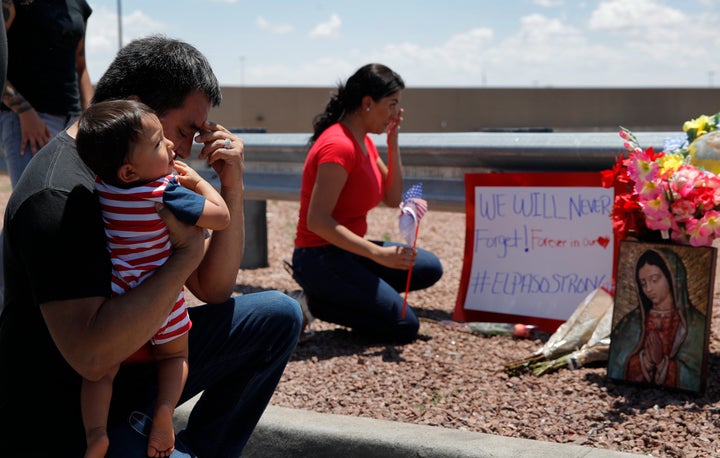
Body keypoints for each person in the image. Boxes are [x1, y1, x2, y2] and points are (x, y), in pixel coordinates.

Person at [0, 35, 303, 457]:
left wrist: (232, 182)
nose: (186, 150)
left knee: (278, 316)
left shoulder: (145, 174)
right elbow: (90, 358)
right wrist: (185, 256)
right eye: (182, 132)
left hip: (138, 370)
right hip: (74, 418)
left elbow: (214, 289)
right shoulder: (58, 195)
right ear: (136, 109)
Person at [75, 100, 231, 457]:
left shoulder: (103, 187)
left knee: (100, 374)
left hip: (120, 296)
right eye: (160, 143)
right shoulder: (164, 192)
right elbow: (219, 217)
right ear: (130, 171)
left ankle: (96, 434)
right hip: (163, 296)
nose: (173, 146)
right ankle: (164, 412)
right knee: (175, 357)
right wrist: (198, 183)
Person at [290, 63, 443, 343]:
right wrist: (377, 254)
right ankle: (311, 303)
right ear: (368, 104)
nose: (396, 113)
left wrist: (393, 140)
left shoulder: (364, 141)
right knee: (404, 326)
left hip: (350, 251)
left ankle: (355, 295)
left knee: (429, 266)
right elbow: (318, 221)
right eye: (392, 104)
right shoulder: (338, 146)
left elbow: (393, 197)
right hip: (318, 257)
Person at [1, 0, 93, 187]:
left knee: (72, 204)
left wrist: (92, 118)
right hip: (28, 124)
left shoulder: (79, 5)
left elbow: (80, 67)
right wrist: (25, 112)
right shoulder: (13, 2)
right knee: (33, 204)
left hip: (73, 121)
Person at [607, 247, 708, 393]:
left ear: (672, 278)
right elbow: (616, 366)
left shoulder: (697, 325)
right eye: (643, 283)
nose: (648, 288)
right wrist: (645, 361)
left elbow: (694, 375)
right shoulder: (630, 323)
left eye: (655, 280)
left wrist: (662, 362)